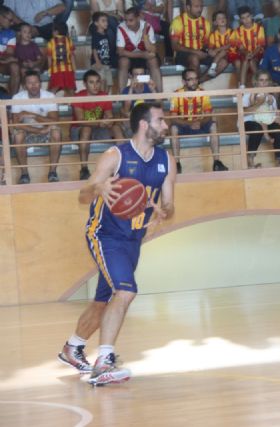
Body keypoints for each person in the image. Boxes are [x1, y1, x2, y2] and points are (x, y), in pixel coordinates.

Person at [57, 102, 176, 386]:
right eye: (161, 120)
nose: (166, 125)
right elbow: (83, 195)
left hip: (133, 239)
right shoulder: (116, 156)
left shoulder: (166, 160)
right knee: (125, 291)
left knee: (103, 302)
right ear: (144, 124)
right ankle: (104, 362)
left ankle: (73, 347)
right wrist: (99, 187)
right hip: (105, 234)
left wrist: (163, 211)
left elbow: (170, 204)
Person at [170, 68, 229, 173]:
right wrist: (190, 123)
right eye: (190, 79)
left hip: (200, 124)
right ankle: (177, 164)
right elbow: (173, 118)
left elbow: (208, 115)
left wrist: (199, 123)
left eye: (196, 79)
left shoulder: (203, 93)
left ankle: (217, 162)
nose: (194, 82)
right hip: (184, 126)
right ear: (183, 82)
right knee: (173, 128)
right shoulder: (176, 94)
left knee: (213, 125)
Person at [73, 70, 125, 180]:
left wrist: (109, 121)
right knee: (86, 129)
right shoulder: (79, 96)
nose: (95, 85)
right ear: (85, 84)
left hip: (98, 128)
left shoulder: (104, 95)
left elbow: (109, 116)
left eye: (97, 82)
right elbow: (81, 121)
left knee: (116, 128)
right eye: (91, 82)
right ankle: (84, 169)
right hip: (79, 130)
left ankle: (122, 166)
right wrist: (99, 122)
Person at [11, 70, 61, 184]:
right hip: (28, 131)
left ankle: (53, 172)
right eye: (30, 83)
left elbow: (54, 121)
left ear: (40, 83)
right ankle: (24, 174)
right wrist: (38, 130)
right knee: (18, 135)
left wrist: (33, 115)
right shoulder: (17, 98)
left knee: (56, 132)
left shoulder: (49, 96)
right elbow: (16, 124)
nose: (33, 85)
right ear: (24, 85)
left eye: (36, 82)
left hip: (45, 129)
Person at [242, 70, 280, 168]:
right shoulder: (248, 94)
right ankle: (250, 161)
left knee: (276, 128)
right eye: (261, 80)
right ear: (256, 82)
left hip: (266, 120)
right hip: (249, 121)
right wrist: (258, 103)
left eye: (266, 80)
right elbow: (243, 112)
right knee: (257, 128)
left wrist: (278, 116)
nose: (264, 83)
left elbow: (274, 112)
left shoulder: (271, 96)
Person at [116, 7, 163, 93]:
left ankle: (159, 95)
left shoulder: (147, 26)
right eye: (126, 20)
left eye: (131, 20)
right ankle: (122, 96)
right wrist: (142, 54)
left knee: (154, 61)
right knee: (123, 62)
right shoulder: (121, 27)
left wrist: (144, 35)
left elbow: (153, 50)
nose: (127, 23)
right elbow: (120, 51)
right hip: (130, 57)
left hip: (140, 56)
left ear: (138, 18)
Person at [170, 0, 212, 82]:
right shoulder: (178, 21)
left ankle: (199, 81)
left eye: (201, 6)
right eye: (196, 6)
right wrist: (195, 52)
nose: (200, 9)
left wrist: (207, 50)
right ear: (188, 7)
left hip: (200, 53)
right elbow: (174, 46)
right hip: (182, 54)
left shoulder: (206, 23)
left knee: (224, 60)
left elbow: (206, 44)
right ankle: (195, 85)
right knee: (194, 58)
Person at [230, 5, 266, 87]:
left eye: (248, 16)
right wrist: (247, 53)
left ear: (252, 16)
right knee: (247, 60)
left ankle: (246, 85)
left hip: (258, 54)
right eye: (243, 18)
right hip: (244, 54)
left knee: (250, 60)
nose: (246, 20)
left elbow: (259, 46)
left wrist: (252, 54)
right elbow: (241, 48)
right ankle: (244, 86)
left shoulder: (259, 29)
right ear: (240, 20)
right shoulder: (237, 31)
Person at [120, 66, 158, 137]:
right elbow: (126, 110)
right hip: (134, 121)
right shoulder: (126, 90)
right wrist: (131, 89)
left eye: (141, 74)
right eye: (136, 75)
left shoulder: (149, 87)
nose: (139, 77)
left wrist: (153, 90)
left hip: (148, 120)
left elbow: (159, 105)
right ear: (130, 76)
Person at [46, 22, 76, 97]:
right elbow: (72, 56)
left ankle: (48, 102)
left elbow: (49, 58)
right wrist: (74, 69)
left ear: (56, 31)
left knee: (53, 88)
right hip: (68, 69)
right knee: (70, 89)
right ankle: (72, 103)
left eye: (52, 31)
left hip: (56, 70)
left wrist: (49, 70)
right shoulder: (69, 41)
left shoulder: (50, 42)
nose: (52, 33)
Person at [91, 12, 116, 93]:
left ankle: (105, 96)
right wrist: (97, 61)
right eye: (103, 21)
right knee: (102, 80)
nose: (106, 23)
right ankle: (101, 96)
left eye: (106, 21)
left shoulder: (106, 35)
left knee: (109, 83)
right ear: (96, 23)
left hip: (106, 63)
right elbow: (94, 49)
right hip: (98, 63)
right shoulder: (95, 35)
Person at [206, 11, 235, 80]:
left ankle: (212, 67)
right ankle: (211, 70)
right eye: (219, 18)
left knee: (224, 51)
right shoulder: (213, 35)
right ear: (215, 22)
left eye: (224, 17)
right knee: (220, 53)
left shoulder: (232, 32)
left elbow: (229, 45)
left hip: (232, 54)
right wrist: (211, 51)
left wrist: (216, 50)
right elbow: (210, 47)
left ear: (226, 20)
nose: (222, 19)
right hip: (220, 56)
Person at [0, 6, 19, 95]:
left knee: (15, 66)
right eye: (10, 20)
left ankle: (12, 100)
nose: (12, 23)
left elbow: (9, 54)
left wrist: (4, 60)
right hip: (2, 61)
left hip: (2, 63)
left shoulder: (10, 33)